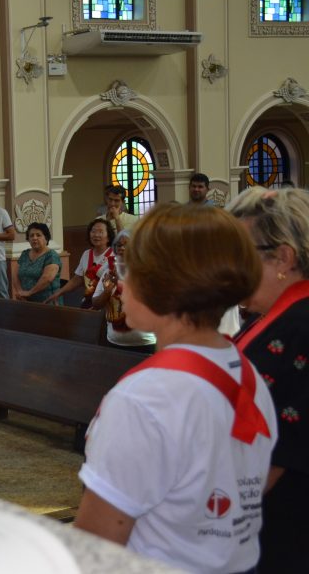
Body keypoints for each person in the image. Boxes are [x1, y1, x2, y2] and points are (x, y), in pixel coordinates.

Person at [75, 203, 276, 573]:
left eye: (129, 270)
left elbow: (95, 548)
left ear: (164, 285)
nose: (121, 282)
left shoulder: (145, 398)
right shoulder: (244, 372)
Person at [229, 187, 309, 573]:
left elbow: (281, 448)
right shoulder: (277, 314)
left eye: (242, 256)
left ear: (283, 258)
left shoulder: (301, 325)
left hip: (283, 525)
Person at [90, 230, 156, 350]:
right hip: (115, 342)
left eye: (127, 245)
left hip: (145, 343)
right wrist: (107, 291)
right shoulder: (108, 273)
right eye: (119, 245)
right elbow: (96, 303)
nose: (122, 248)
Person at [45, 217, 115, 308]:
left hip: (108, 304)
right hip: (89, 302)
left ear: (108, 237)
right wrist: (59, 292)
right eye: (93, 231)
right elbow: (78, 278)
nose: (96, 235)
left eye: (101, 232)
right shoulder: (86, 254)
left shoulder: (114, 255)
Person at [11, 222, 61, 303]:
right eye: (31, 235)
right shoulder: (25, 254)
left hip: (48, 302)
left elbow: (47, 278)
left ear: (46, 238)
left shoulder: (51, 255)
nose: (34, 238)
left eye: (38, 235)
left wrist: (29, 293)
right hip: (25, 301)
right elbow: (15, 274)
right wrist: (20, 292)